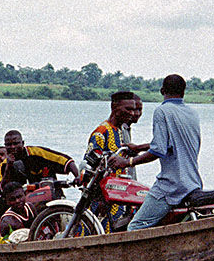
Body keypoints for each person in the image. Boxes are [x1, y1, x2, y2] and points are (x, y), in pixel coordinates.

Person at [110, 74, 202, 230]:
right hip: (192, 182)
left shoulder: (162, 111)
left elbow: (159, 150)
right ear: (184, 92)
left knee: (135, 227)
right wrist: (139, 148)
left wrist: (127, 162)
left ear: (162, 91)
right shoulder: (192, 113)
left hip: (171, 186)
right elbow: (173, 144)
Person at [85, 91, 140, 231]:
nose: (132, 113)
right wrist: (100, 199)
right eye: (128, 109)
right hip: (104, 199)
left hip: (118, 195)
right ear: (114, 108)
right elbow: (91, 167)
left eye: (134, 109)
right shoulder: (101, 132)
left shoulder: (120, 130)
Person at [0, 130, 80, 188]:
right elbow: (2, 188)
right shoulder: (5, 164)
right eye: (9, 145)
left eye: (16, 143)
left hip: (50, 193)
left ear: (23, 143)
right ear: (5, 146)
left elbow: (67, 162)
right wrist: (9, 167)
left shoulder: (37, 153)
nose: (13, 147)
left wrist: (78, 176)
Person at [120, 93, 146, 181]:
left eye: (140, 110)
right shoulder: (120, 129)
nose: (137, 114)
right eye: (134, 110)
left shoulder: (126, 128)